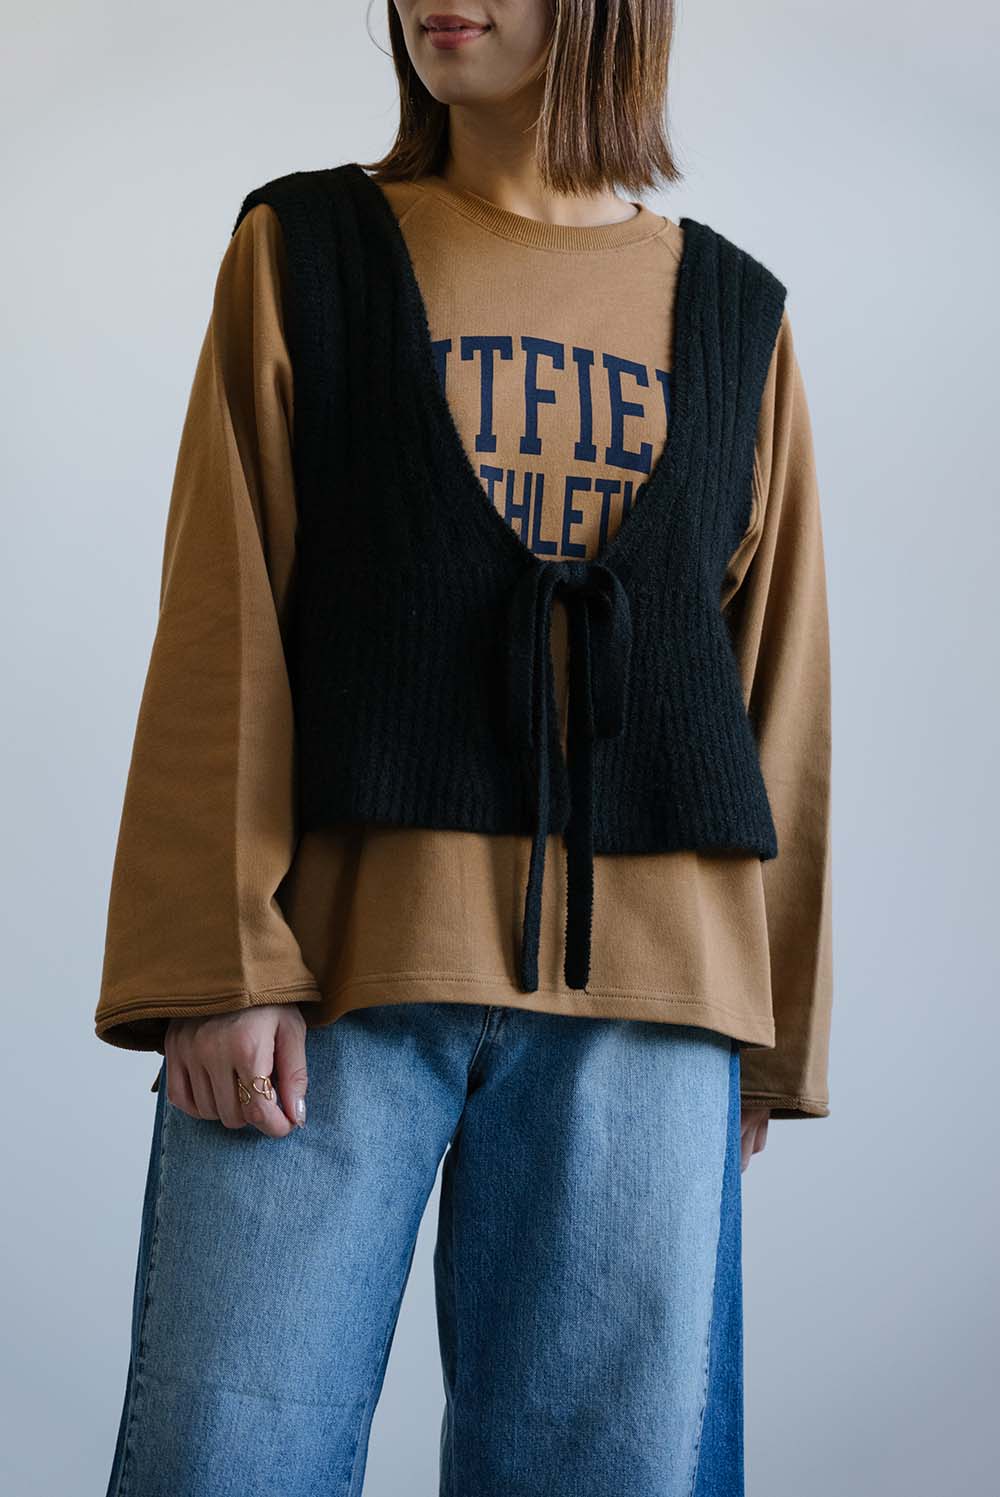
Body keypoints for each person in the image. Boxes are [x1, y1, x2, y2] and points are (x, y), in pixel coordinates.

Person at [96, 3, 833, 1494]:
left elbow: (781, 689)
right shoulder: (305, 251)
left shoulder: (735, 312)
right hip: (331, 978)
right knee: (225, 1458)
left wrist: (776, 1042)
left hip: (656, 1004)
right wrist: (216, 963)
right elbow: (222, 615)